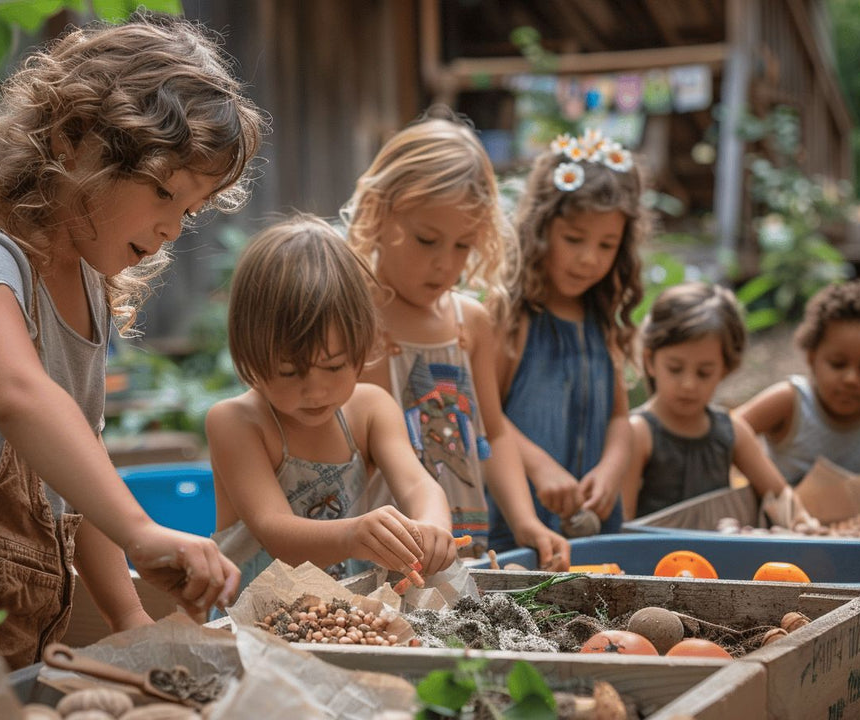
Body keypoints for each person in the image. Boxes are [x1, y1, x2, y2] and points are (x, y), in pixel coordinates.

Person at [0, 14, 265, 716]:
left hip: (14, 627)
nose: (170, 227)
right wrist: (143, 529)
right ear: (74, 140)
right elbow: (20, 396)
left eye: (189, 211)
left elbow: (75, 469)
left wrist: (129, 622)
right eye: (163, 192)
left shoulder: (90, 294)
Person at [343, 109, 570, 570]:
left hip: (463, 545)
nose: (446, 264)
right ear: (379, 211)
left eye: (463, 245)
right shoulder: (352, 315)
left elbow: (495, 433)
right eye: (428, 240)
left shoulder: (471, 322)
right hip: (378, 552)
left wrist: (525, 521)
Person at [206, 215, 456, 588]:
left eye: (334, 366)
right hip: (252, 622)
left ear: (363, 345)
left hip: (345, 609)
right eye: (290, 372)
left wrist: (432, 527)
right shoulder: (237, 422)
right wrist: (352, 535)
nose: (316, 391)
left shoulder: (371, 409)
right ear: (249, 353)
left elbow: (418, 484)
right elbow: (275, 532)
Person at [492, 129, 644, 544]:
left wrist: (612, 468)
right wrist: (539, 466)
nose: (588, 258)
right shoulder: (512, 317)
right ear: (541, 230)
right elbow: (483, 416)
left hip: (595, 532)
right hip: (520, 533)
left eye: (606, 244)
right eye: (574, 239)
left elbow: (618, 417)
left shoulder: (602, 320)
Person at [620, 282, 790, 520]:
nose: (688, 384)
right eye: (675, 368)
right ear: (650, 361)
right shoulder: (639, 433)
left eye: (704, 373)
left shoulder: (733, 432)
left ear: (725, 369)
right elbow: (623, 523)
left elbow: (782, 497)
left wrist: (801, 520)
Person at [737, 279, 860, 484]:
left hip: (859, 516)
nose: (852, 379)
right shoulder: (790, 401)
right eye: (838, 364)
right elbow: (729, 430)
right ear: (812, 357)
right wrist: (771, 485)